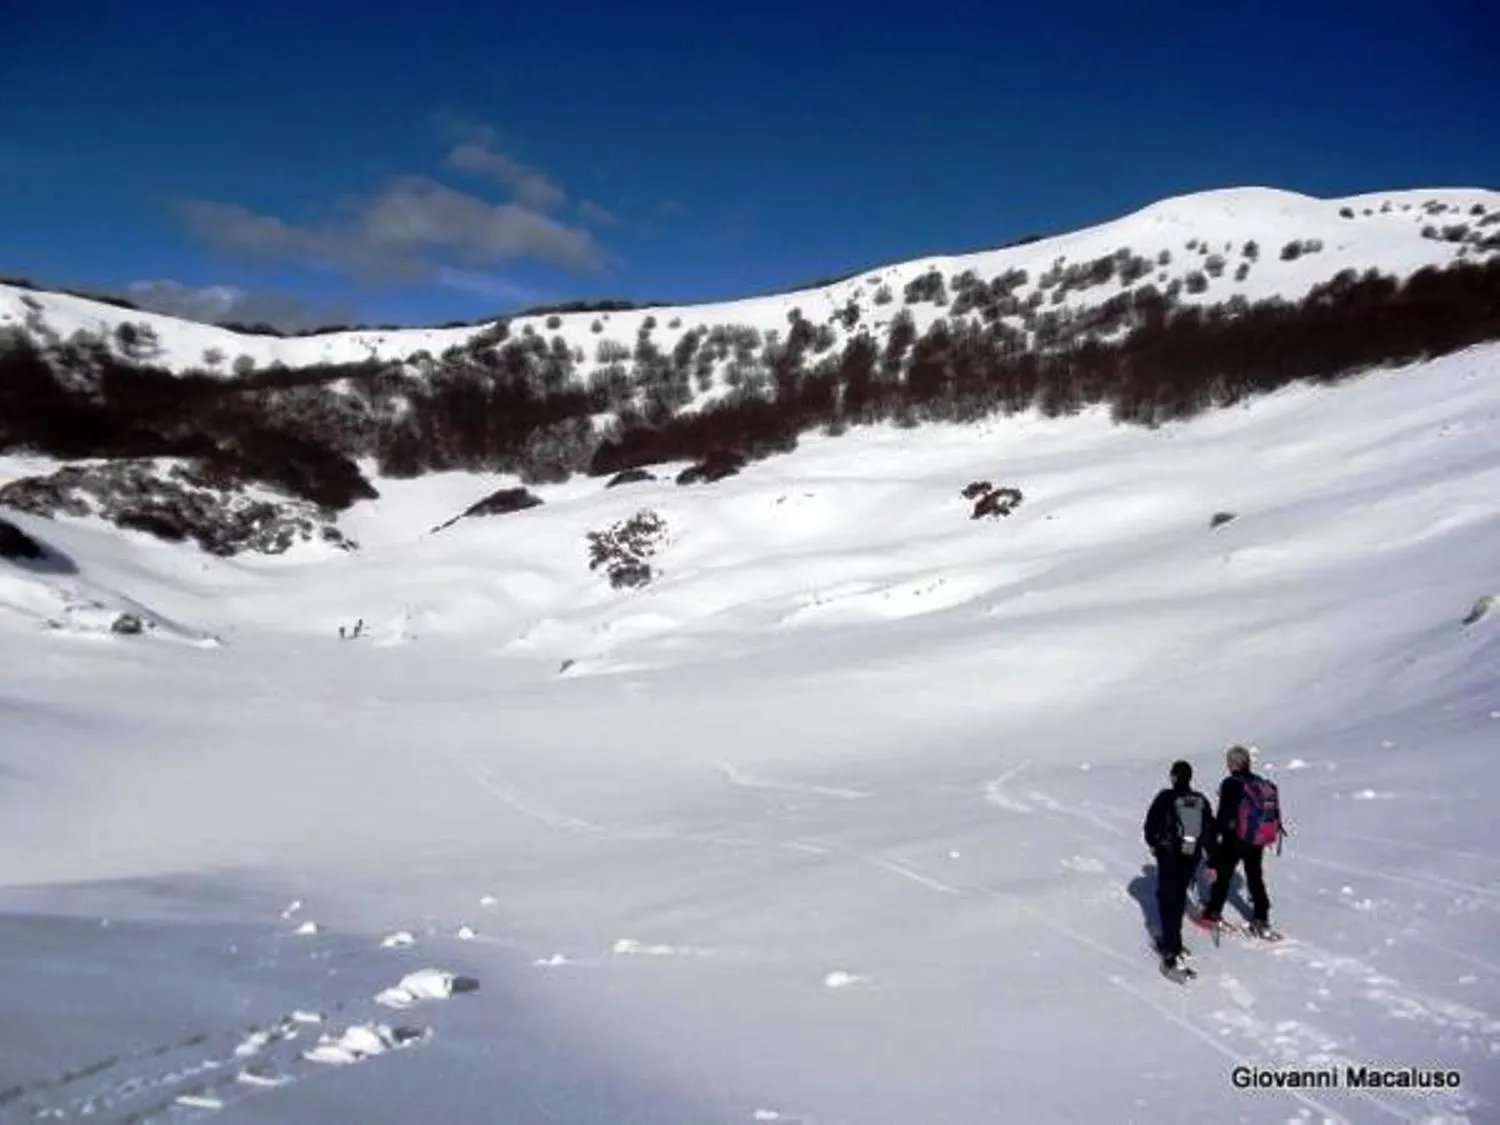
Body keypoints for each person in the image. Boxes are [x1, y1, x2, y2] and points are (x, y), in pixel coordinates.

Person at [1198, 744, 1279, 937]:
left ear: (1233, 764)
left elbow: (1224, 814)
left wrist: (1212, 835)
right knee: (1255, 876)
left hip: (1234, 838)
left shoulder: (1231, 783)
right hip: (1256, 838)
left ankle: (1212, 912)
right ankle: (1261, 916)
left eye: (1228, 762)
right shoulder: (1259, 782)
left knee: (1223, 874)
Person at [1142, 759, 1215, 971]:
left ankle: (1170, 946)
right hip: (1191, 857)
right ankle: (1176, 941)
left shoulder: (1165, 797)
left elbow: (1150, 826)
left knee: (1167, 899)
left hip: (1168, 856)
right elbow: (1210, 832)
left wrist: (1155, 845)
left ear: (1173, 777)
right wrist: (1211, 860)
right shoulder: (1200, 799)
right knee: (1179, 895)